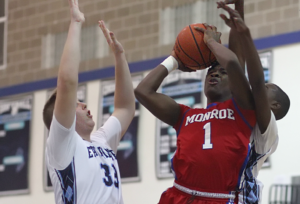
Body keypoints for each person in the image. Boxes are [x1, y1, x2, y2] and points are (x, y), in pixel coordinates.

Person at [135, 20, 257, 203]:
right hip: (179, 196)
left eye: (223, 72)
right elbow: (142, 91)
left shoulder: (240, 110)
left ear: (234, 83)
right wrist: (174, 60)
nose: (215, 74)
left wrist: (211, 43)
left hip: (220, 198)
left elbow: (234, 63)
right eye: (211, 72)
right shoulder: (184, 115)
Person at [42, 0, 135, 203]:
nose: (83, 105)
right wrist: (76, 23)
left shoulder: (102, 140)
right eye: (76, 103)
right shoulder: (63, 144)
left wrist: (120, 57)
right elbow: (66, 83)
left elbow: (125, 107)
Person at [216, 1, 290, 203]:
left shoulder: (269, 130)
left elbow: (255, 82)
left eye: (267, 89)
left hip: (242, 196)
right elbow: (237, 61)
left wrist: (246, 35)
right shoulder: (242, 111)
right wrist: (238, 9)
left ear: (275, 106)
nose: (259, 88)